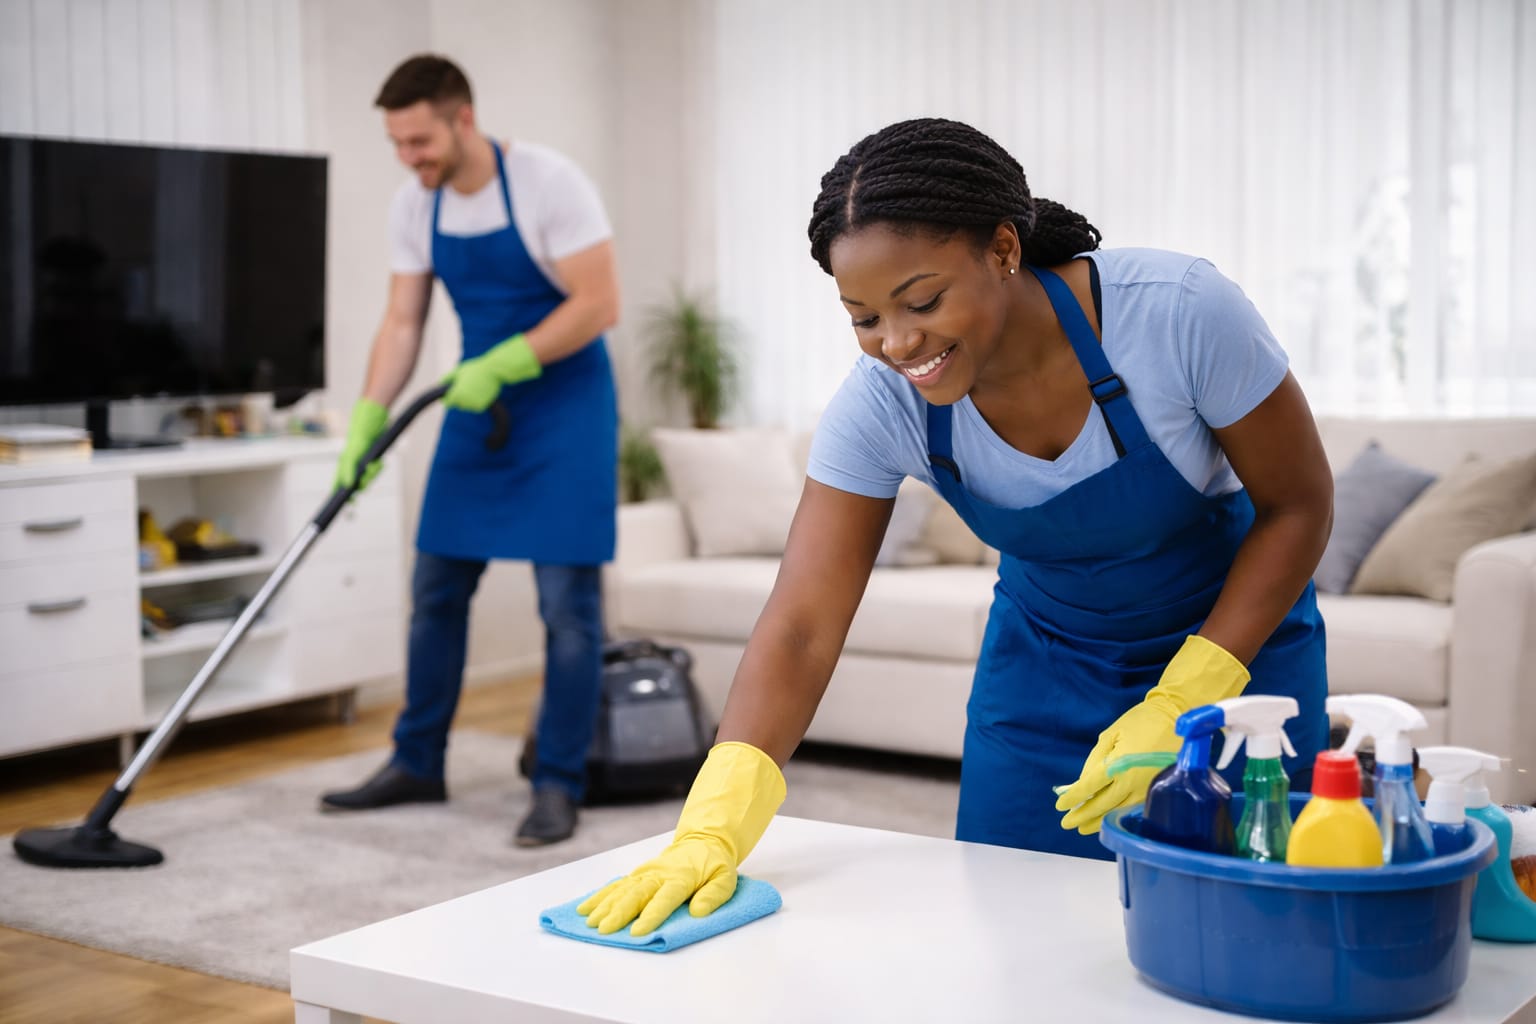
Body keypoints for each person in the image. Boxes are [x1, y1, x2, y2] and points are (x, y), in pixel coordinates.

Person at [574, 117, 1334, 935]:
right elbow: (800, 625)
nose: (898, 343)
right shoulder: (882, 407)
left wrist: (1188, 694)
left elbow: (1300, 505)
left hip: (1238, 668)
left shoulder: (1179, 315)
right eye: (863, 318)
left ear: (1004, 249)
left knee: (1249, 928)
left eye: (923, 301)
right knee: (1018, 933)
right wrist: (712, 823)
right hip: (1046, 676)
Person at [319, 55, 620, 847]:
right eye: (396, 144)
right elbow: (405, 322)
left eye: (418, 141)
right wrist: (366, 420)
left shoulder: (549, 183)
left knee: (568, 609)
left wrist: (511, 360)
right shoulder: (415, 206)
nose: (408, 158)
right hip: (474, 404)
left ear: (462, 118)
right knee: (437, 587)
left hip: (563, 405)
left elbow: (599, 303)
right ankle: (417, 761)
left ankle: (558, 783)